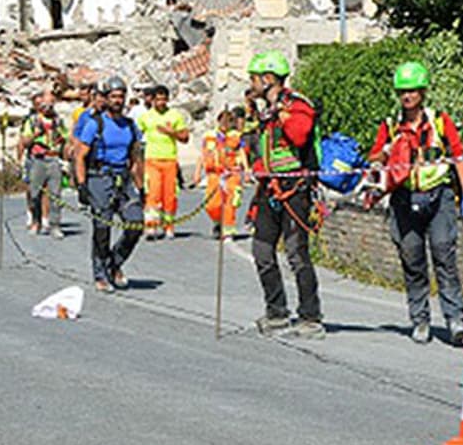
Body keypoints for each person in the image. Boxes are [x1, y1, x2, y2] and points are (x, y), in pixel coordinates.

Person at [366, 62, 463, 345]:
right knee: (413, 260)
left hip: (437, 196)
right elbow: (374, 159)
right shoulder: (390, 126)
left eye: (412, 91)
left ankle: (455, 320)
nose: (407, 96)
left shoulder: (439, 121)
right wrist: (385, 154)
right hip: (404, 199)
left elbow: (458, 156)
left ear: (422, 92)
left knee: (444, 255)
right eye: (403, 91)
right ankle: (420, 320)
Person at [246, 51, 324, 339]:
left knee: (296, 253)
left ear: (268, 79)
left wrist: (281, 111)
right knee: (262, 251)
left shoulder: (297, 105)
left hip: (295, 191)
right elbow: (264, 148)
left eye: (254, 79)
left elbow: (299, 136)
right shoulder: (264, 112)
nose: (251, 84)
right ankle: (276, 312)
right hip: (269, 189)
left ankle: (310, 316)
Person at [73, 76, 145, 293]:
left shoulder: (131, 126)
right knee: (102, 228)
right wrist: (82, 185)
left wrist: (141, 188)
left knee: (135, 224)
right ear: (106, 98)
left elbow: (135, 160)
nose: (117, 100)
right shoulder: (96, 123)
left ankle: (114, 263)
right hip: (99, 177)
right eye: (113, 96)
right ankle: (100, 273)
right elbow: (79, 156)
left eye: (121, 96)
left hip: (122, 178)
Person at [137, 85, 189, 239]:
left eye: (163, 99)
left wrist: (171, 132)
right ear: (152, 100)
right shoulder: (146, 117)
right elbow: (136, 135)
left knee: (169, 195)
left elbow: (185, 137)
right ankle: (151, 226)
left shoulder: (175, 115)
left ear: (167, 99)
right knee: (153, 193)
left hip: (170, 160)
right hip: (151, 160)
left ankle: (168, 226)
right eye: (157, 99)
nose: (160, 102)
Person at [19, 90, 69, 238]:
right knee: (34, 193)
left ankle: (55, 225)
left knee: (55, 195)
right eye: (46, 103)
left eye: (51, 103)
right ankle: (36, 221)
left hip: (53, 159)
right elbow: (24, 142)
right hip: (37, 160)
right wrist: (35, 135)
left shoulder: (58, 121)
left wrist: (65, 161)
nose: (49, 106)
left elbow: (65, 141)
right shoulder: (32, 121)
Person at [193, 109, 245, 239]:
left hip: (231, 175)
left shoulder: (236, 137)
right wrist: (197, 172)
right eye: (223, 121)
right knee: (212, 205)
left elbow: (241, 153)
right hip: (214, 175)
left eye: (229, 121)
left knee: (230, 204)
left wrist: (247, 170)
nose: (225, 124)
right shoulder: (209, 136)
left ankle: (228, 232)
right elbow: (203, 155)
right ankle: (217, 222)